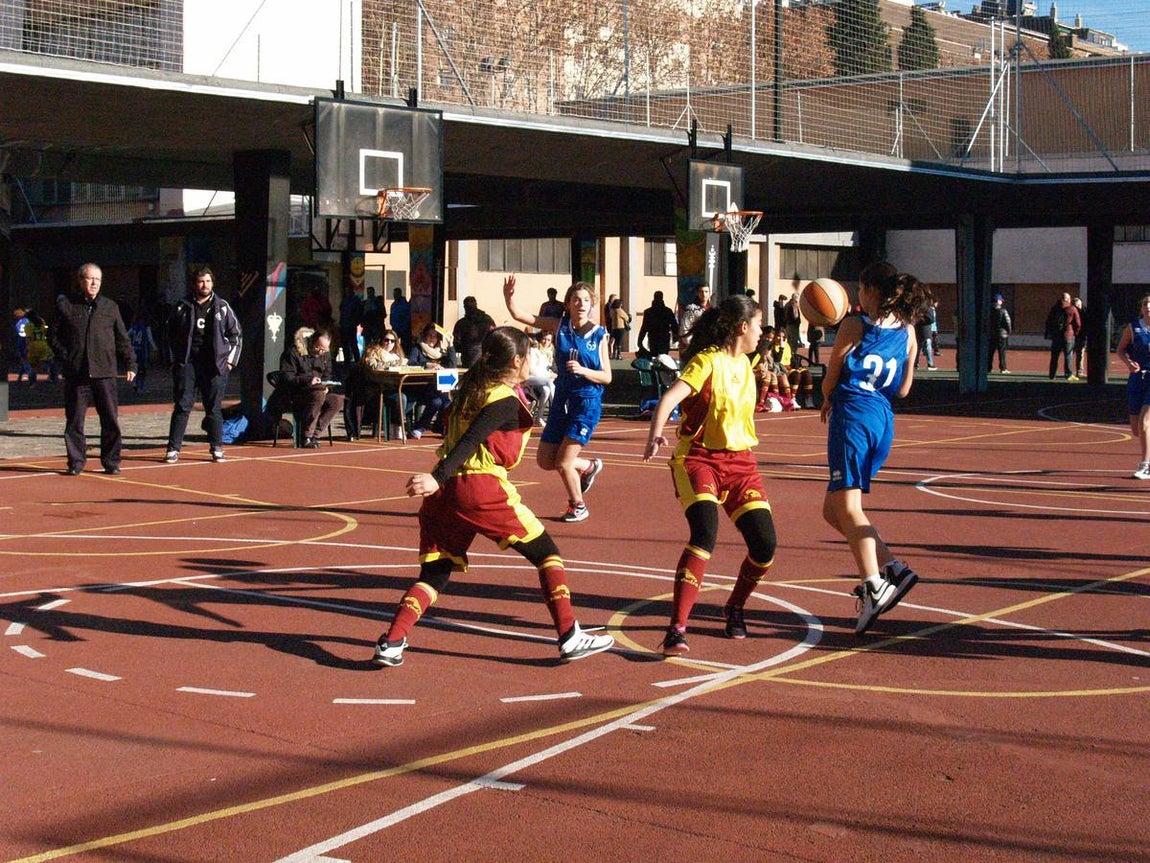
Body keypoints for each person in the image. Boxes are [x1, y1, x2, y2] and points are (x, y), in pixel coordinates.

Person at [371, 326, 616, 668]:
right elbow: (470, 440)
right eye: (528, 356)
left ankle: (392, 641)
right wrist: (435, 477)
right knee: (547, 553)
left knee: (435, 574)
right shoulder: (501, 399)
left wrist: (439, 479)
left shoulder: (473, 389)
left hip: (446, 493)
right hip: (478, 487)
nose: (532, 362)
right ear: (516, 361)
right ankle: (569, 635)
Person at [642, 293, 778, 657]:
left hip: (741, 464)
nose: (762, 331)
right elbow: (669, 398)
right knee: (704, 533)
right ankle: (676, 629)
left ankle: (734, 606)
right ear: (743, 327)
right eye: (758, 325)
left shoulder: (747, 363)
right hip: (700, 459)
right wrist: (656, 433)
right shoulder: (706, 361)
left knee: (765, 546)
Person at [820, 262, 929, 635]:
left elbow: (830, 379)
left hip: (853, 417)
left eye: (861, 290)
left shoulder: (854, 325)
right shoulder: (908, 331)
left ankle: (873, 584)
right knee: (833, 510)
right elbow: (904, 389)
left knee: (849, 509)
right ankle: (893, 568)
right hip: (883, 421)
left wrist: (827, 396)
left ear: (869, 291)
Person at [504, 276, 611, 522]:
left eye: (586, 300)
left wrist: (584, 370)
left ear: (592, 304)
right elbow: (522, 316)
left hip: (585, 403)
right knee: (545, 460)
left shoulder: (598, 335)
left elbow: (607, 376)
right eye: (576, 300)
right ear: (568, 304)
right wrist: (509, 298)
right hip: (562, 400)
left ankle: (578, 506)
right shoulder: (559, 325)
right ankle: (587, 467)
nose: (581, 304)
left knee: (563, 462)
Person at [48, 263, 137, 475]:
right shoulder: (68, 306)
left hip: (104, 373)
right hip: (77, 374)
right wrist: (66, 356)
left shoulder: (110, 307)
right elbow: (52, 335)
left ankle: (111, 461)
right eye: (90, 278)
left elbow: (122, 338)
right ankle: (76, 462)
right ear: (81, 281)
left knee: (110, 420)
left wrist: (130, 363)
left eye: (98, 279)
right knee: (75, 421)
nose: (94, 283)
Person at [164, 267, 243, 463]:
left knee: (213, 408)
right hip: (188, 364)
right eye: (200, 281)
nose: (204, 285)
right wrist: (174, 360)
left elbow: (236, 335)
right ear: (194, 284)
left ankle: (217, 447)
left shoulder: (222, 306)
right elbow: (168, 335)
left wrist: (230, 362)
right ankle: (173, 448)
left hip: (214, 365)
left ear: (213, 283)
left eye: (208, 281)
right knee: (182, 406)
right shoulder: (182, 306)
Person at [278, 326, 345, 447]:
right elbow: (287, 376)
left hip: (320, 389)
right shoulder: (294, 352)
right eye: (317, 348)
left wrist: (327, 386)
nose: (320, 352)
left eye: (324, 349)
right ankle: (306, 436)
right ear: (312, 341)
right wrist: (308, 380)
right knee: (318, 396)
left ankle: (314, 434)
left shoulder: (325, 355)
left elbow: (327, 374)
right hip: (298, 391)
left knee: (337, 400)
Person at [1115, 293, 1150, 481]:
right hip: (1137, 378)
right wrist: (1128, 363)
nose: (1148, 307)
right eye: (1145, 304)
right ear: (1141, 308)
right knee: (1137, 429)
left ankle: (1145, 465)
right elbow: (1120, 349)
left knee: (1145, 421)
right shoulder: (1134, 327)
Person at [344, 329, 405, 440]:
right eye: (386, 340)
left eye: (392, 341)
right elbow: (373, 367)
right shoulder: (372, 352)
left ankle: (398, 424)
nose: (389, 343)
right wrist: (394, 364)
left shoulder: (397, 355)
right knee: (401, 398)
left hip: (394, 386)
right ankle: (395, 426)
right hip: (375, 389)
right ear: (381, 340)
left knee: (410, 397)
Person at [407, 322, 458, 439]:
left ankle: (438, 425)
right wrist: (426, 364)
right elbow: (411, 363)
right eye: (429, 335)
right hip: (420, 386)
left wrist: (450, 345)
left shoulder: (441, 351)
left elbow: (452, 365)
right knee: (436, 402)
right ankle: (419, 428)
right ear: (424, 336)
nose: (432, 338)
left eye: (435, 336)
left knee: (448, 403)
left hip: (437, 388)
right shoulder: (417, 348)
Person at [1044, 292, 1082, 381]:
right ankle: (1068, 374)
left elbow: (1048, 321)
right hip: (1068, 335)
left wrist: (1052, 332)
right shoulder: (1072, 309)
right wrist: (1075, 333)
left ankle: (1052, 374)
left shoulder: (1054, 308)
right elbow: (1078, 323)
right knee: (1068, 355)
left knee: (1054, 356)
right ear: (1068, 299)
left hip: (1056, 336)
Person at [452, 296, 496, 367]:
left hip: (468, 358)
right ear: (476, 305)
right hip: (485, 357)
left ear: (464, 307)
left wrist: (464, 349)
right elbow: (494, 336)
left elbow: (456, 343)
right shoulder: (488, 320)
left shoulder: (461, 323)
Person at [522, 330, 557, 418]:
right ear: (540, 339)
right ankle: (556, 412)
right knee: (550, 381)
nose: (546, 342)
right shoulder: (534, 350)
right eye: (544, 339)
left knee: (546, 390)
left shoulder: (550, 352)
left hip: (542, 379)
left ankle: (539, 417)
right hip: (531, 377)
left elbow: (549, 369)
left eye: (549, 340)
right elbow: (532, 370)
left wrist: (551, 373)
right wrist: (548, 374)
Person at [637, 291, 678, 358]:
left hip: (654, 337)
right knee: (663, 357)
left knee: (655, 356)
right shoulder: (668, 311)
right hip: (662, 337)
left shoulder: (648, 312)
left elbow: (644, 327)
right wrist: (675, 335)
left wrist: (640, 340)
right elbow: (674, 325)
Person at [24, 310, 58, 386]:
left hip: (33, 346)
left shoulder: (28, 326)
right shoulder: (41, 324)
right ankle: (53, 378)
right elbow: (46, 332)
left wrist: (26, 348)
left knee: (33, 366)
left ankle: (32, 382)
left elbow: (28, 338)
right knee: (51, 361)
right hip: (43, 344)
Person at [127, 311, 158, 393]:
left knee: (135, 366)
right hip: (142, 350)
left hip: (134, 349)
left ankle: (134, 383)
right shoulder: (146, 327)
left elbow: (127, 335)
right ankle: (140, 387)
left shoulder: (134, 327)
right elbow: (150, 338)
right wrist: (154, 347)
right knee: (142, 369)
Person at [677, 283, 711, 350]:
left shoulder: (713, 309)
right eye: (701, 292)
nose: (704, 294)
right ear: (697, 293)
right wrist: (692, 344)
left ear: (709, 293)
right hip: (697, 346)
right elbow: (684, 329)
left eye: (706, 292)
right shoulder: (691, 309)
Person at [338, 285, 363, 366]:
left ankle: (357, 360)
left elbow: (359, 312)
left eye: (348, 290)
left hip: (351, 325)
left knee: (353, 343)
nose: (347, 292)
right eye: (346, 290)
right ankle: (347, 361)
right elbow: (341, 311)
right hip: (344, 324)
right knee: (344, 344)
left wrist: (356, 322)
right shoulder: (344, 300)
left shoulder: (356, 300)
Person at [988, 294, 1012, 374]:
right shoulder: (1003, 311)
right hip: (1002, 335)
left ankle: (988, 367)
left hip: (991, 334)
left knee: (990, 352)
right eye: (1001, 300)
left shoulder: (989, 311)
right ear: (998, 301)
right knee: (1002, 353)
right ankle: (1003, 368)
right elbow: (1008, 322)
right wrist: (1008, 332)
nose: (1002, 302)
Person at [606, 294, 631, 360]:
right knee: (619, 342)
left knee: (615, 341)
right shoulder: (619, 310)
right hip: (620, 328)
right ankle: (618, 355)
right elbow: (627, 317)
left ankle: (614, 354)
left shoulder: (612, 311)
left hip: (614, 327)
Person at [389, 287, 412, 355]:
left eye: (396, 294)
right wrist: (392, 323)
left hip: (404, 328)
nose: (395, 296)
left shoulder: (405, 305)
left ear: (400, 294)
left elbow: (408, 316)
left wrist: (404, 326)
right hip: (395, 327)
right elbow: (391, 315)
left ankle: (404, 355)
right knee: (393, 342)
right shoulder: (393, 305)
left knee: (404, 344)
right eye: (394, 294)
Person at [914, 300, 936, 370]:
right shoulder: (916, 308)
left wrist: (922, 317)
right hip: (918, 330)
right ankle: (915, 363)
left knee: (927, 346)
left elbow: (932, 319)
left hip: (926, 330)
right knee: (917, 347)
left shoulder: (928, 309)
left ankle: (930, 363)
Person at [13, 307, 31, 383]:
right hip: (26, 342)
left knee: (24, 360)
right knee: (25, 360)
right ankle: (22, 377)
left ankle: (29, 376)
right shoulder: (27, 321)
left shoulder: (18, 323)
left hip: (21, 343)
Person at [1072, 296, 1087, 378]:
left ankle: (1079, 371)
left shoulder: (1085, 311)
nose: (1077, 307)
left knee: (1080, 353)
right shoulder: (1072, 311)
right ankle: (1073, 371)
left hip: (1082, 335)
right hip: (1075, 334)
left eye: (1078, 305)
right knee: (1075, 353)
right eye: (1075, 305)